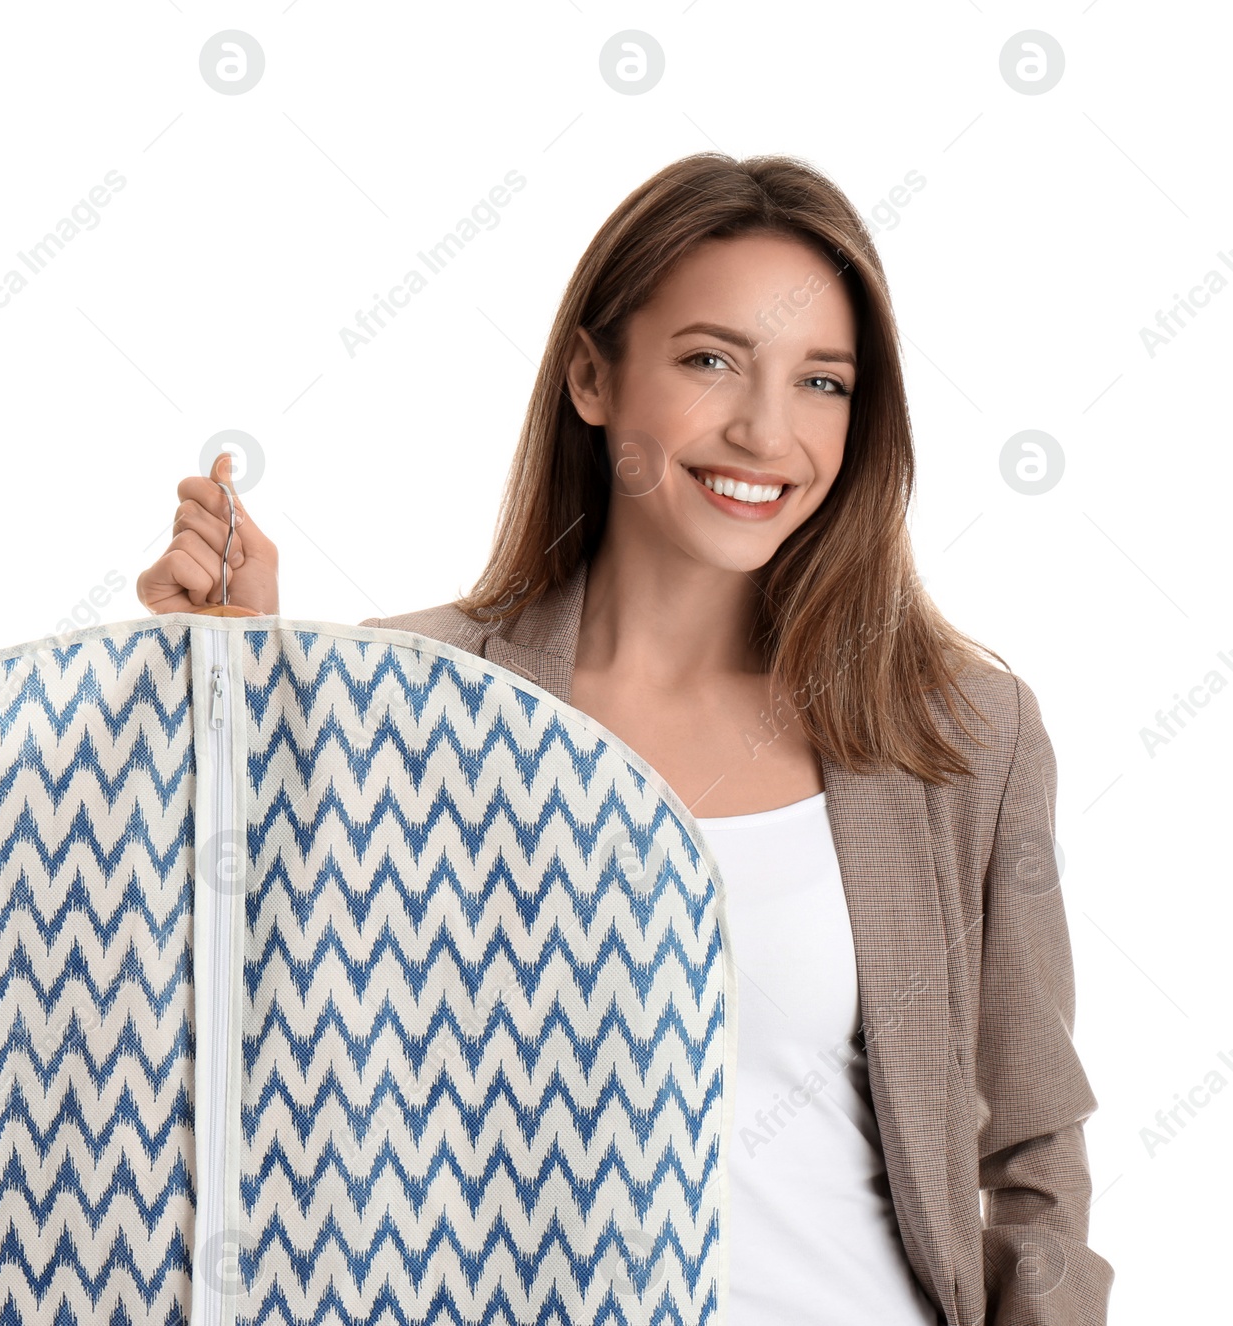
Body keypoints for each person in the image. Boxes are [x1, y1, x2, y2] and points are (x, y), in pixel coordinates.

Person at [135, 151, 1114, 1325]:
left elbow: (1032, 1151)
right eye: (711, 361)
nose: (766, 431)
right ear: (592, 379)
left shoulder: (959, 732)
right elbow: (254, 1047)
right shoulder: (408, 696)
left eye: (823, 383)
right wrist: (243, 695)